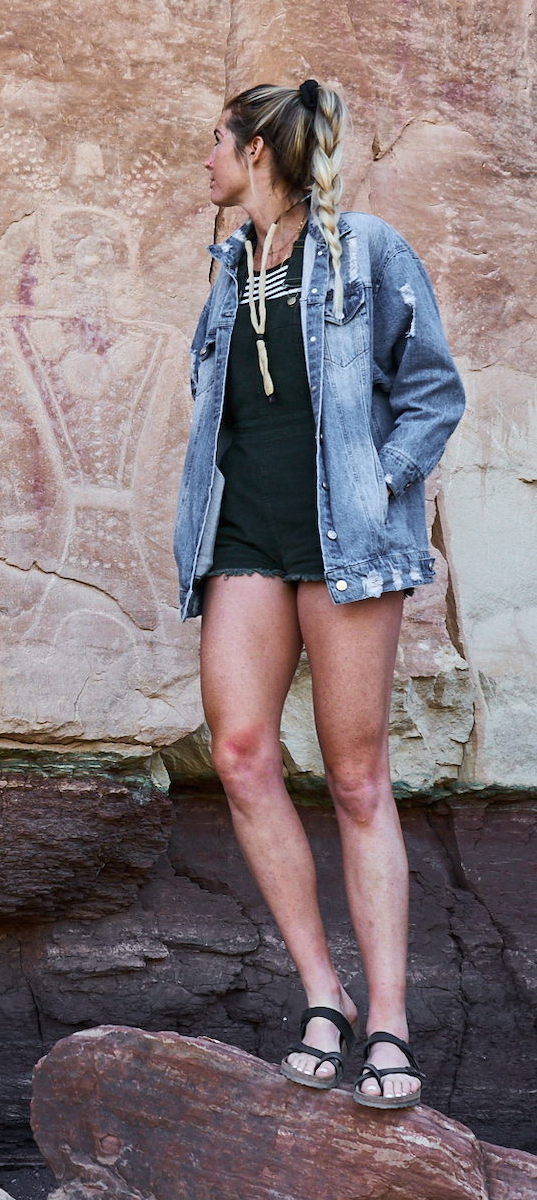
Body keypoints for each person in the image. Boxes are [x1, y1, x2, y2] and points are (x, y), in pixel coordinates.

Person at [173, 79, 465, 1108]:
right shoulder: (225, 265)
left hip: (343, 543)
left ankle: (387, 1020)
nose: (202, 158)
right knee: (241, 752)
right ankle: (320, 995)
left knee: (353, 778)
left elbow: (431, 388)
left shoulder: (367, 250)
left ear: (256, 150)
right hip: (242, 535)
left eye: (215, 140)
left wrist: (377, 481)